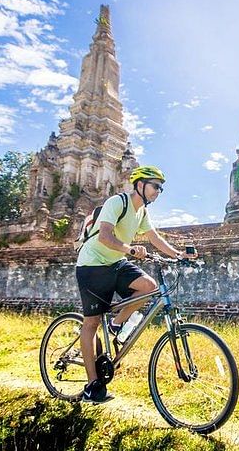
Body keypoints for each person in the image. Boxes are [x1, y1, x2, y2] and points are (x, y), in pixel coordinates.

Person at [75, 165, 196, 403]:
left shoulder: (142, 212)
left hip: (115, 262)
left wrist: (179, 255)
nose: (158, 192)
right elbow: (104, 236)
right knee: (91, 323)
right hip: (92, 264)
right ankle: (92, 386)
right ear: (140, 185)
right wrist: (129, 249)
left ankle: (115, 325)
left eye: (161, 188)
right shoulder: (117, 202)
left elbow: (154, 237)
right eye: (155, 186)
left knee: (148, 287)